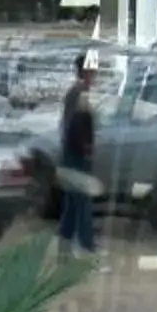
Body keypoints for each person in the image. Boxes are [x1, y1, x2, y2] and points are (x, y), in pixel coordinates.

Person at [55, 56, 99, 253]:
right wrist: (87, 149)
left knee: (72, 203)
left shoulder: (75, 92)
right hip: (78, 155)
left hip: (71, 153)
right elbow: (78, 126)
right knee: (82, 201)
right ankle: (86, 246)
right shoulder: (80, 93)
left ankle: (64, 246)